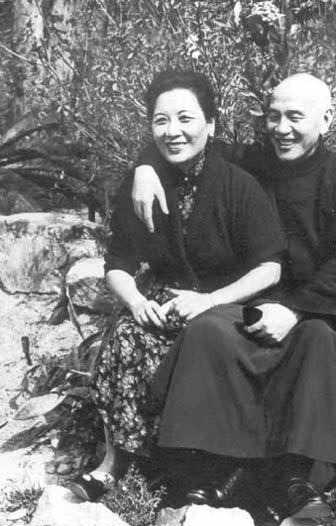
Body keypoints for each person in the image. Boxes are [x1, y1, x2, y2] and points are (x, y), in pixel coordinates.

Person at [132, 73, 336, 517]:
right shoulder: (252, 161)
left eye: (294, 117)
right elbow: (187, 141)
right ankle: (211, 471)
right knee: (208, 332)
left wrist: (294, 310)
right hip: (250, 300)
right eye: (273, 116)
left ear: (326, 119)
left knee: (316, 341)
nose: (281, 129)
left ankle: (294, 478)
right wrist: (145, 167)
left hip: (318, 308)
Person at [70, 70, 286, 502]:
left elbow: (271, 268)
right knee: (127, 335)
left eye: (185, 118)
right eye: (161, 121)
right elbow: (118, 263)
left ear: (211, 124)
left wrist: (210, 300)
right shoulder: (142, 183)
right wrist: (135, 301)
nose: (173, 131)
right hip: (164, 300)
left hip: (224, 303)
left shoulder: (239, 183)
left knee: (203, 343)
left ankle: (190, 470)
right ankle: (114, 465)